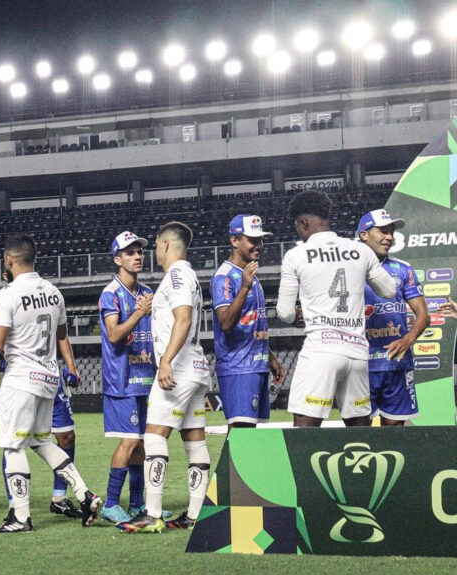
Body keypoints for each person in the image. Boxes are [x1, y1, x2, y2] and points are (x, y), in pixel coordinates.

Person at [0, 235, 104, 532]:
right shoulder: (54, 292)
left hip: (21, 379)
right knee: (42, 442)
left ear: (9, 260)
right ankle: (84, 494)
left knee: (13, 447)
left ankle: (20, 517)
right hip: (49, 378)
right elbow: (62, 333)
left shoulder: (8, 295)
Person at [119, 222, 211, 534]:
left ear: (167, 245)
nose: (154, 252)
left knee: (155, 436)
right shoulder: (190, 276)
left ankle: (153, 513)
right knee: (195, 440)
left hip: (180, 370)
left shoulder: (176, 275)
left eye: (156, 245)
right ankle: (196, 514)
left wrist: (166, 361)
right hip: (196, 371)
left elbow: (183, 319)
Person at [276, 191, 396, 427]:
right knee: (359, 425)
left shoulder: (295, 255)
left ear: (303, 223)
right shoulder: (360, 251)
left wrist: (297, 317)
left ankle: (304, 466)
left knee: (305, 425)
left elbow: (285, 312)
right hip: (358, 351)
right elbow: (389, 290)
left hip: (321, 349)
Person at [0, 269, 84, 520]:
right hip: (26, 380)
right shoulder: (8, 298)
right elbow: (1, 340)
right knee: (18, 443)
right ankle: (16, 504)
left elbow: (60, 334)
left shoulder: (44, 294)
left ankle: (60, 497)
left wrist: (72, 366)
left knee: (65, 437)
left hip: (48, 379)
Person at [97, 232, 159, 525]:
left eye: (140, 252)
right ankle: (111, 503)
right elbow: (114, 335)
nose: (137, 256)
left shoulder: (147, 291)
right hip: (120, 380)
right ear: (117, 259)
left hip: (145, 379)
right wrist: (138, 313)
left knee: (142, 444)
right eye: (130, 252)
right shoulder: (110, 293)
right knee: (129, 442)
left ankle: (136, 505)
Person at [210, 215, 286, 428]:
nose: (259, 245)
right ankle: (226, 464)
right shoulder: (224, 277)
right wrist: (244, 287)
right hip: (238, 367)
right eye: (253, 240)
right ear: (235, 241)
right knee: (240, 433)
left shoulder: (251, 276)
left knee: (252, 437)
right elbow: (225, 322)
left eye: (261, 240)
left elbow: (255, 324)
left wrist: (271, 359)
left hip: (257, 365)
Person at [357, 210, 428, 425]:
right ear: (363, 235)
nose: (390, 237)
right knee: (356, 434)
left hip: (396, 364)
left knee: (395, 437)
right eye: (383, 231)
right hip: (359, 365)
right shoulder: (348, 269)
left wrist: (408, 340)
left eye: (392, 232)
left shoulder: (403, 269)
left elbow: (423, 316)